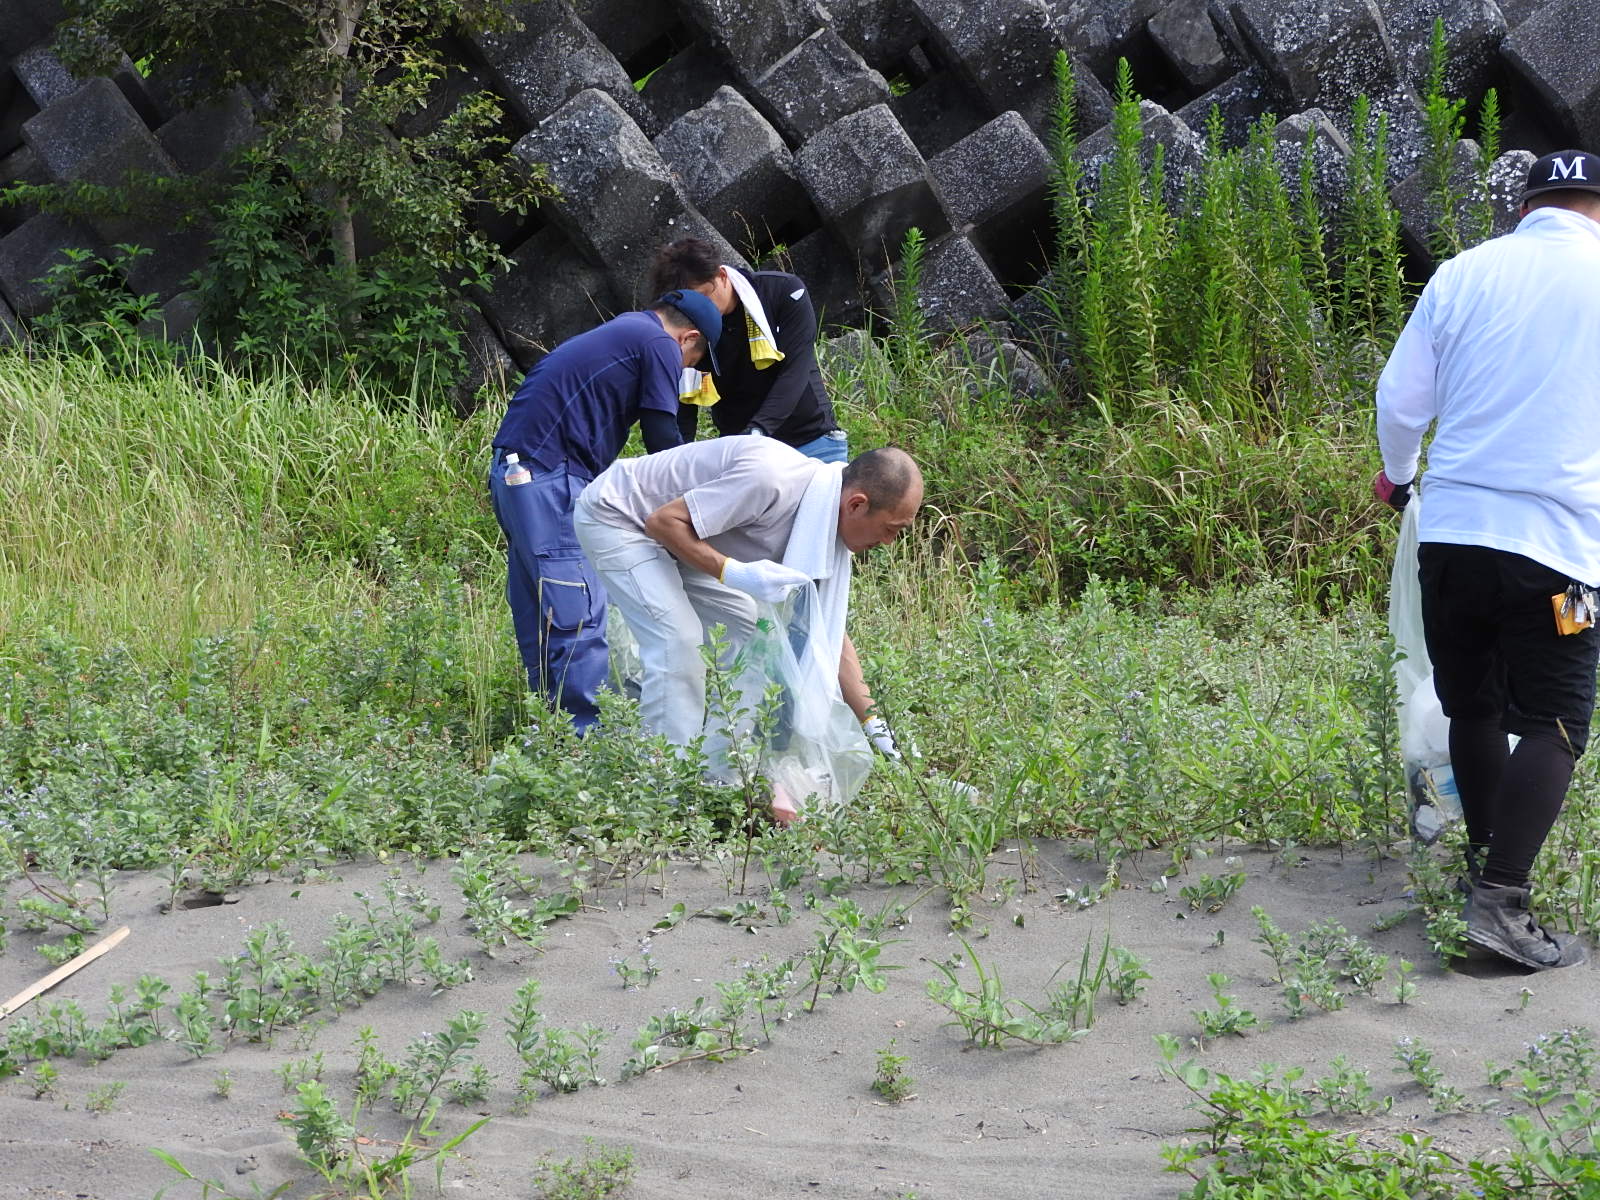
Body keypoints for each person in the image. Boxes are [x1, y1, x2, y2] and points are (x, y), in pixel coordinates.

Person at [1374, 149, 1600, 970]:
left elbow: (1400, 402)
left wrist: (1399, 482)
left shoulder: (1467, 273)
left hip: (1454, 539)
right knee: (1558, 721)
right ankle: (1501, 901)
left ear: (1528, 205)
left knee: (1474, 707)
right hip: (1560, 555)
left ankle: (1480, 867)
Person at [572, 438, 920, 758]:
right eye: (891, 529)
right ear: (857, 504)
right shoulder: (772, 480)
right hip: (620, 517)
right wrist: (734, 573)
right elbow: (662, 521)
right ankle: (663, 785)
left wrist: (873, 723)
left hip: (682, 539)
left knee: (755, 632)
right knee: (676, 641)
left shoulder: (825, 521)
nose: (889, 543)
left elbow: (825, 633)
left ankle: (720, 768)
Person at [489, 289, 724, 732]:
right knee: (575, 608)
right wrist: (695, 511)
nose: (687, 371)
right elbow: (662, 440)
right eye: (694, 362)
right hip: (550, 476)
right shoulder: (658, 343)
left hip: (517, 471)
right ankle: (585, 741)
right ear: (688, 339)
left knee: (544, 610)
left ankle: (553, 731)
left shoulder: (627, 330)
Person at [647, 238, 850, 463]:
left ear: (722, 276)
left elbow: (795, 371)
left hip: (812, 441)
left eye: (704, 297)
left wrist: (757, 432)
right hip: (746, 455)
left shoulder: (783, 292)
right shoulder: (688, 325)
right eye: (689, 305)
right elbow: (684, 403)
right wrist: (671, 463)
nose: (699, 310)